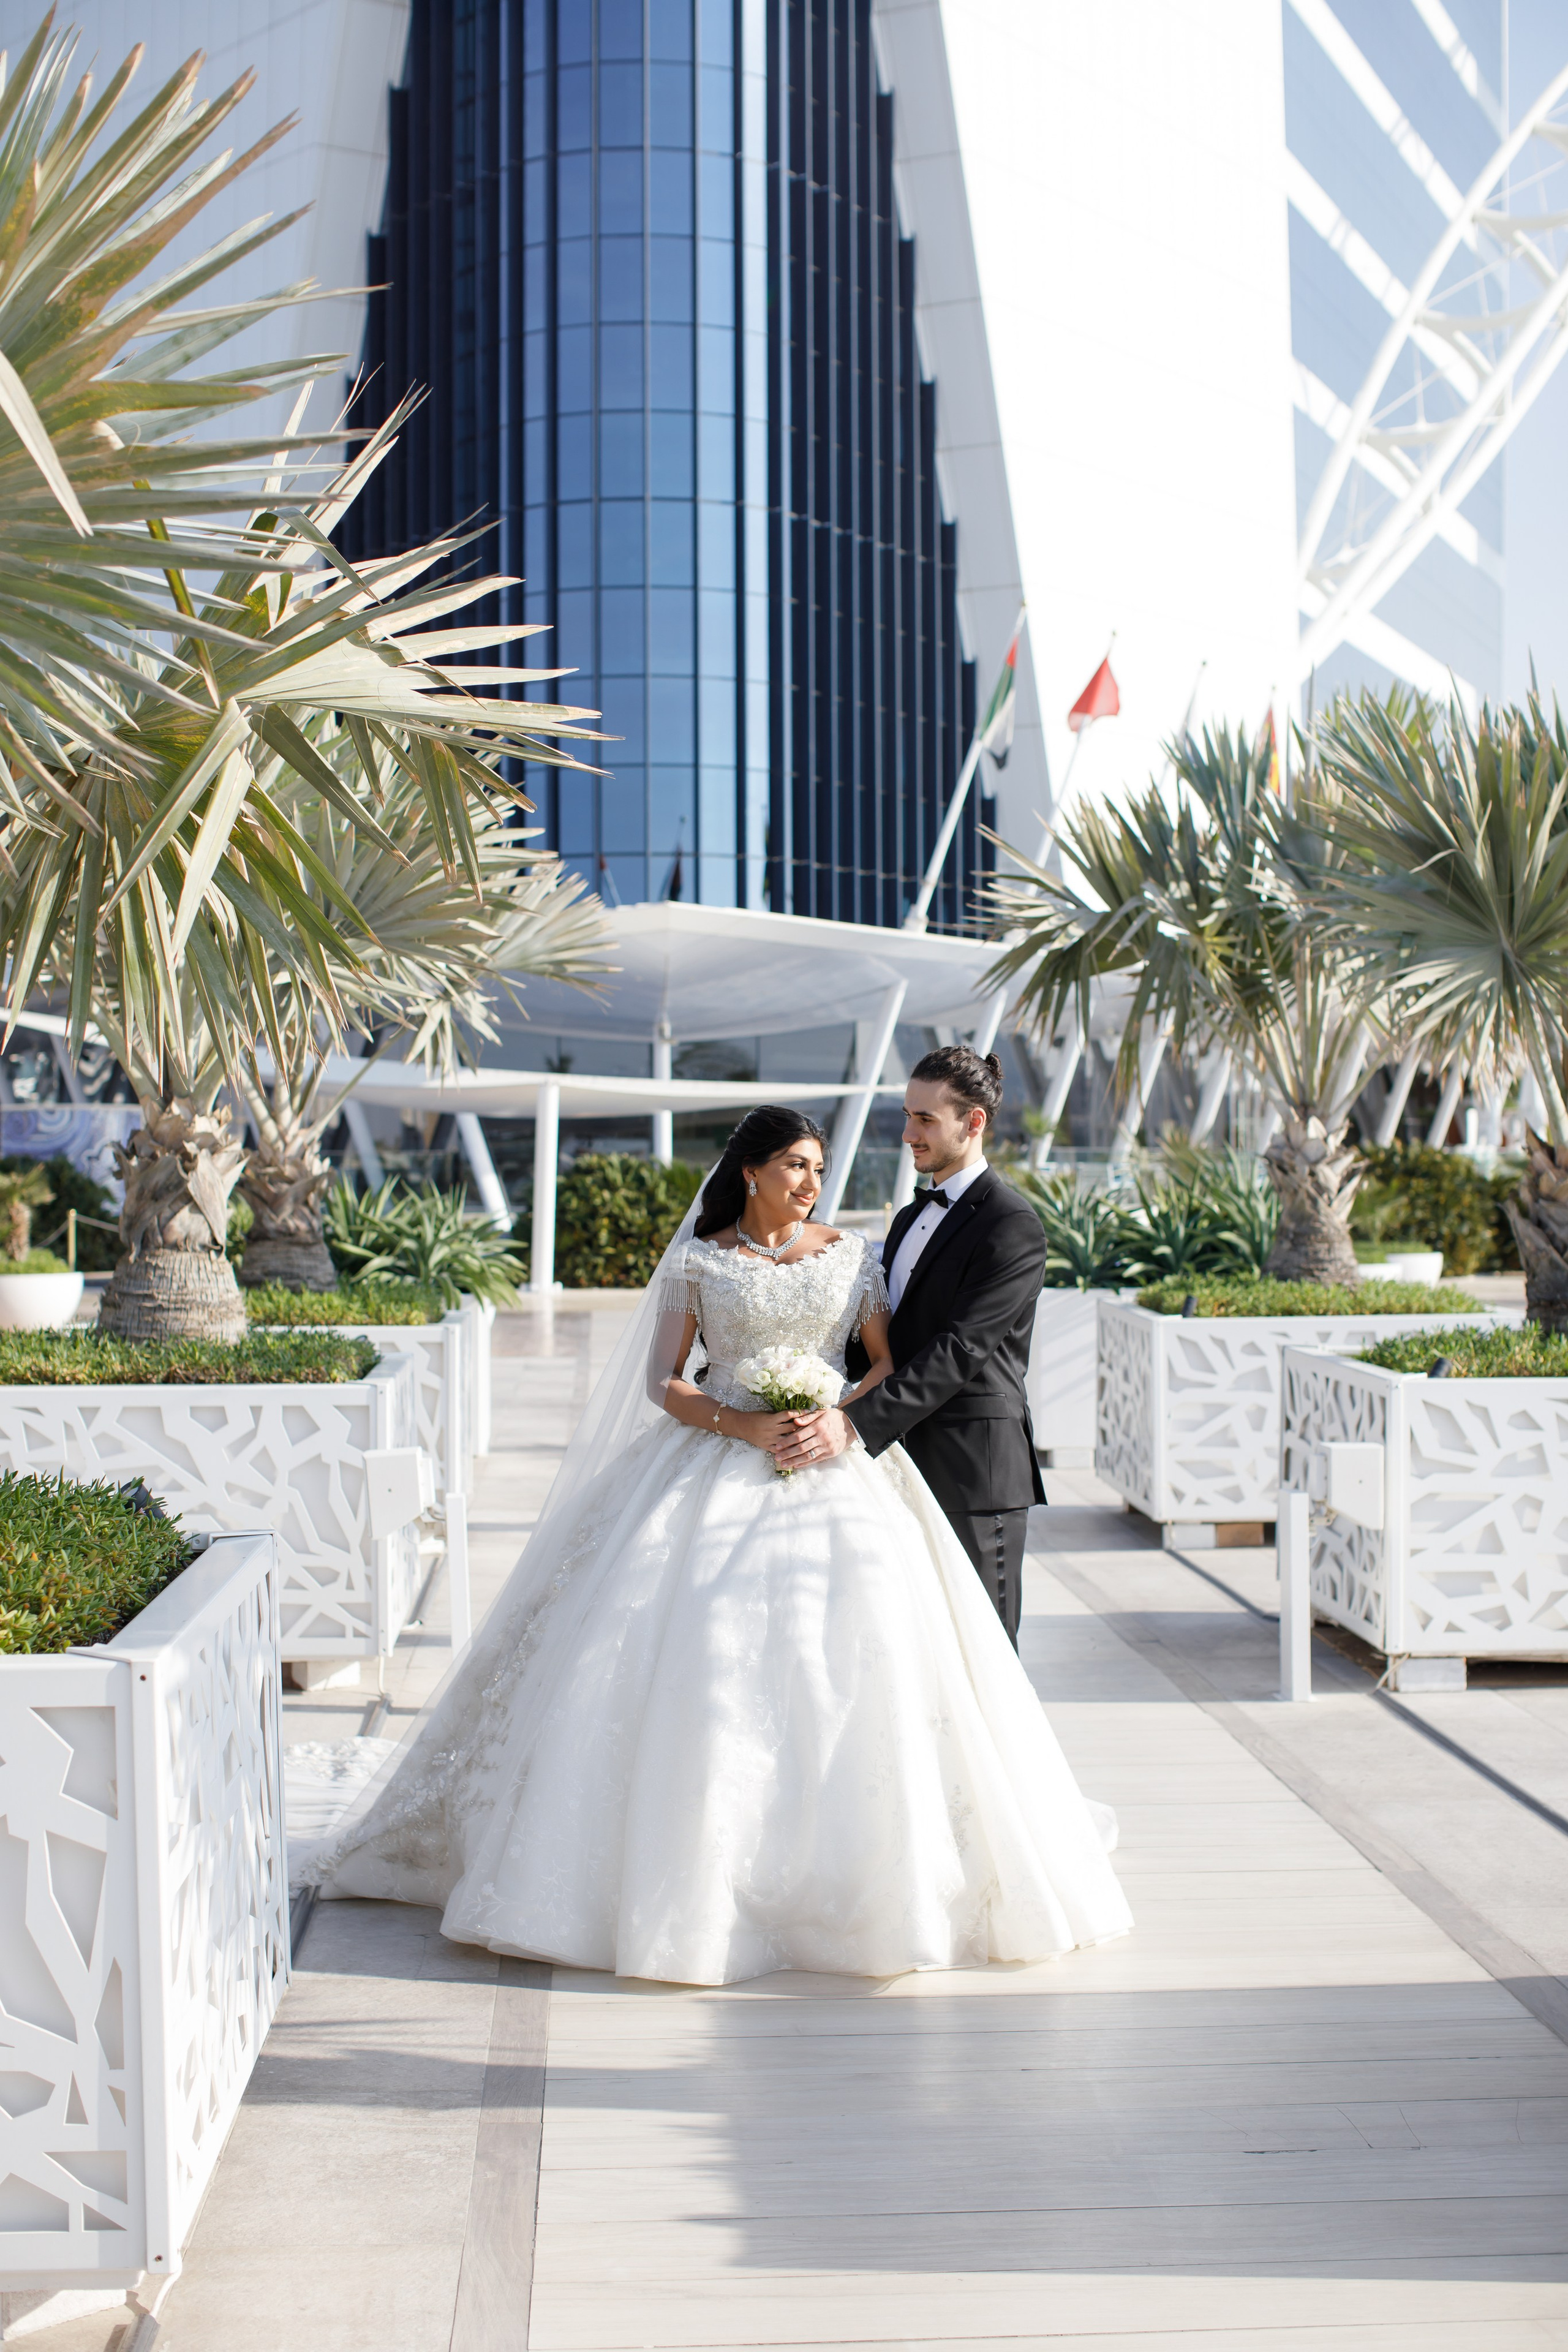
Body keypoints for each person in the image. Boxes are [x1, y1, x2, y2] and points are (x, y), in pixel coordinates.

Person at [303, 1105, 1131, 1986]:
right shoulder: (699, 1262)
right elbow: (664, 1381)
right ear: (751, 1172)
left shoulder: (852, 1253)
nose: (812, 1181)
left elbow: (883, 1363)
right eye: (796, 1166)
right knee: (683, 1642)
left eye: (817, 1167)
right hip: (712, 1458)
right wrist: (738, 1422)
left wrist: (835, 1421)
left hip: (832, 1465)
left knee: (868, 1647)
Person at [775, 1046, 1044, 1647]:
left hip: (973, 1476)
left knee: (984, 1652)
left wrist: (849, 1425)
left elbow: (959, 1350)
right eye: (906, 1115)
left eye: (924, 1119)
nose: (907, 1134)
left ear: (973, 1123)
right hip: (895, 1464)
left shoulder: (1011, 1225)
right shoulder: (905, 1219)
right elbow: (884, 1341)